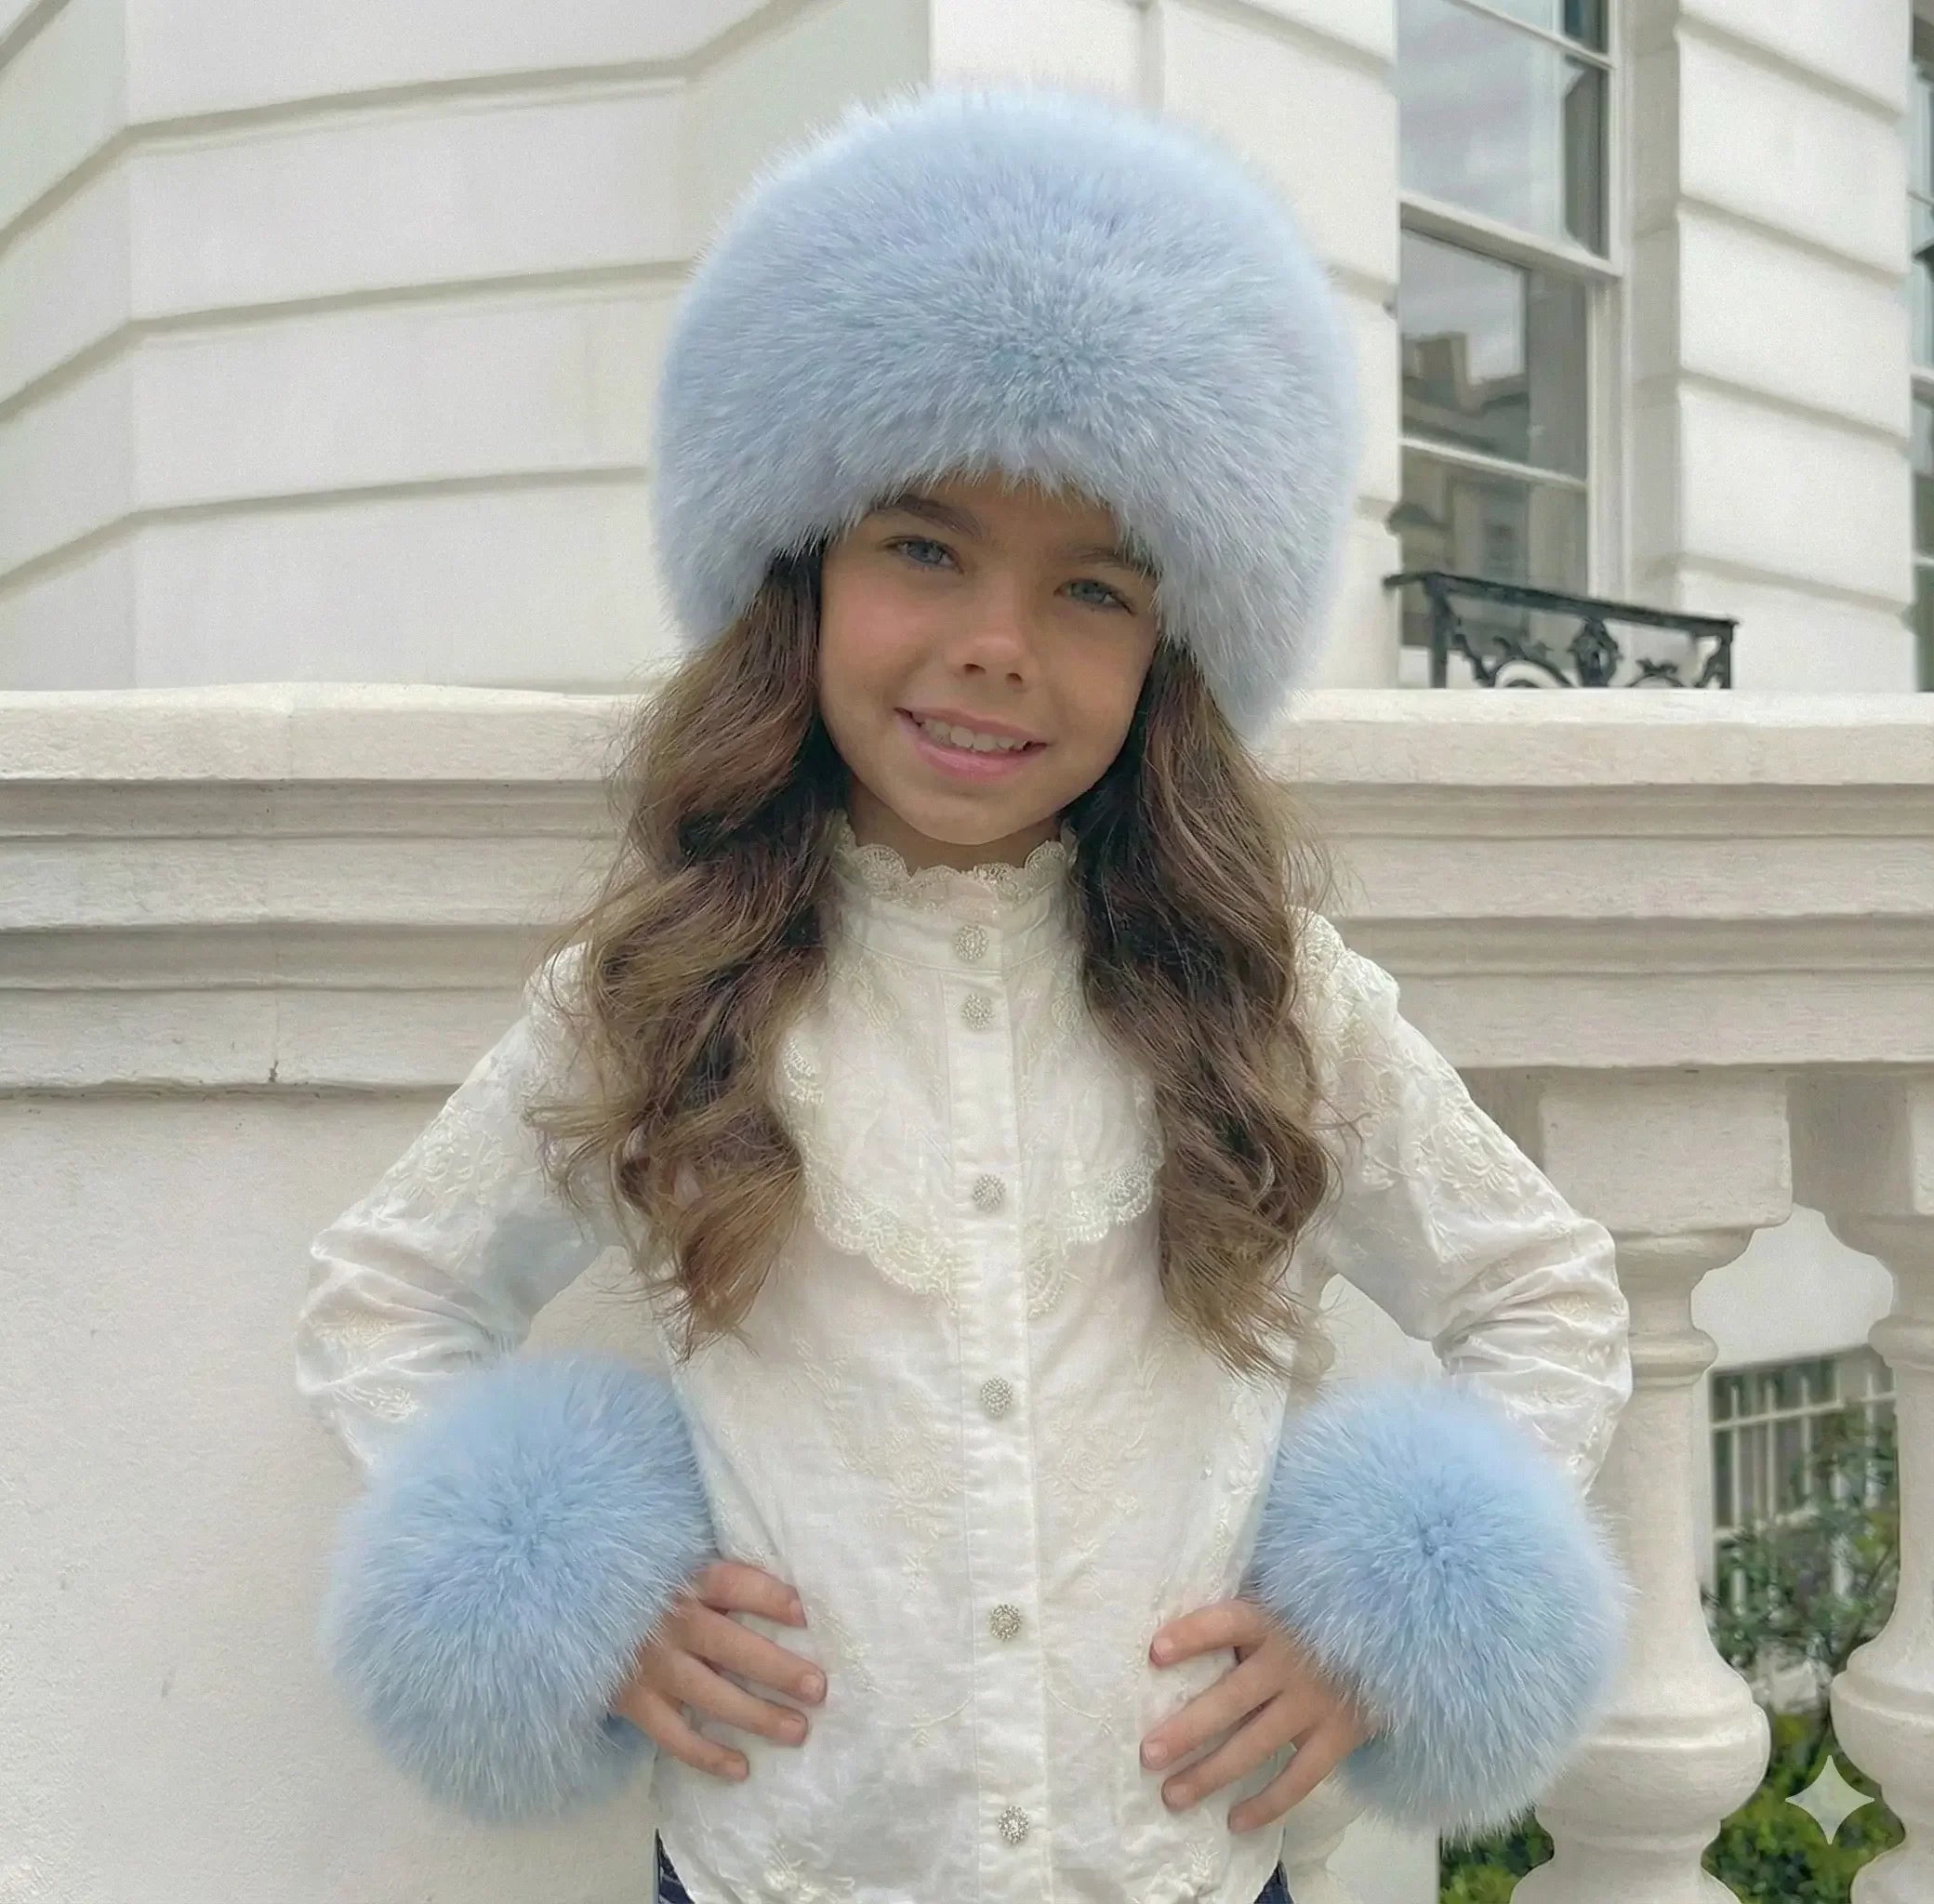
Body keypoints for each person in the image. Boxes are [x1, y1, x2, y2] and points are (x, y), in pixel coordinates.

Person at [295, 85, 1634, 1904]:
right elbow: (388, 1294)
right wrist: (576, 1605)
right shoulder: (655, 991)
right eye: (923, 548)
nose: (997, 644)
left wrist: (1378, 1627)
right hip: (788, 1864)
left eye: (1090, 588)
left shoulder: (1268, 997)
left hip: (1172, 1866)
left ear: (1168, 650)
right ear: (803, 574)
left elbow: (1539, 1289)